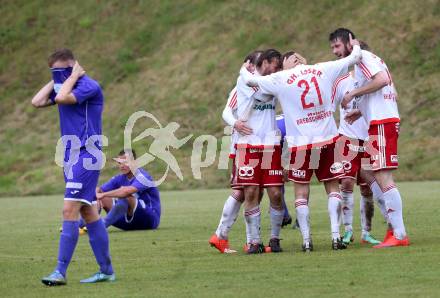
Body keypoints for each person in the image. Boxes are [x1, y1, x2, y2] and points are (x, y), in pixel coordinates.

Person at [239, 34, 362, 251]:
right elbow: (355, 58)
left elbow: (250, 81)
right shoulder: (323, 68)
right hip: (327, 139)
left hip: (301, 145)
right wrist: (355, 45)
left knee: (301, 193)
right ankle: (335, 236)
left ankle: (306, 241)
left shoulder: (281, 78)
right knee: (332, 187)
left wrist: (245, 67)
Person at [31, 49, 114, 285]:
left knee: (69, 210)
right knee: (88, 212)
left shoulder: (88, 86)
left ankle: (60, 272)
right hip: (69, 155)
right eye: (53, 73)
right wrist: (58, 79)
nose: (57, 77)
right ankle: (106, 271)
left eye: (60, 72)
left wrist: (70, 78)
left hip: (87, 153)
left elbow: (61, 98)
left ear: (73, 68)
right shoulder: (64, 84)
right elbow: (36, 101)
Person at [332, 28, 409, 248]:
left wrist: (353, 94)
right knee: (376, 176)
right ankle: (394, 230)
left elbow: (383, 80)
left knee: (383, 178)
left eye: (337, 46)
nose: (335, 52)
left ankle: (399, 234)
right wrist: (360, 111)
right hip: (381, 122)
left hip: (382, 124)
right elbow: (385, 92)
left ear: (350, 42)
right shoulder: (370, 60)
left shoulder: (363, 57)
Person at [329, 39, 384, 245]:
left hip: (369, 139)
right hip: (346, 138)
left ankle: (366, 232)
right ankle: (348, 230)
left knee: (368, 187)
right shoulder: (342, 81)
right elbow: (329, 106)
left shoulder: (375, 81)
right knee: (345, 182)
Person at [234, 49, 285, 254]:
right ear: (264, 63)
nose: (278, 69)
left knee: (275, 194)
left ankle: (274, 238)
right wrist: (243, 73)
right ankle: (254, 241)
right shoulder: (243, 81)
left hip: (270, 145)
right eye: (275, 64)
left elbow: (265, 91)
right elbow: (260, 93)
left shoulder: (273, 80)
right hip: (248, 145)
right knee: (251, 192)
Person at [95, 149, 161, 231]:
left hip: (149, 220)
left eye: (125, 162)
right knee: (101, 198)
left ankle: (101, 225)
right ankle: (85, 225)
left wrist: (103, 194)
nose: (122, 166)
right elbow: (99, 189)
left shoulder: (143, 177)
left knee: (127, 197)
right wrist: (97, 197)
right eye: (120, 163)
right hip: (127, 222)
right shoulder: (119, 178)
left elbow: (126, 192)